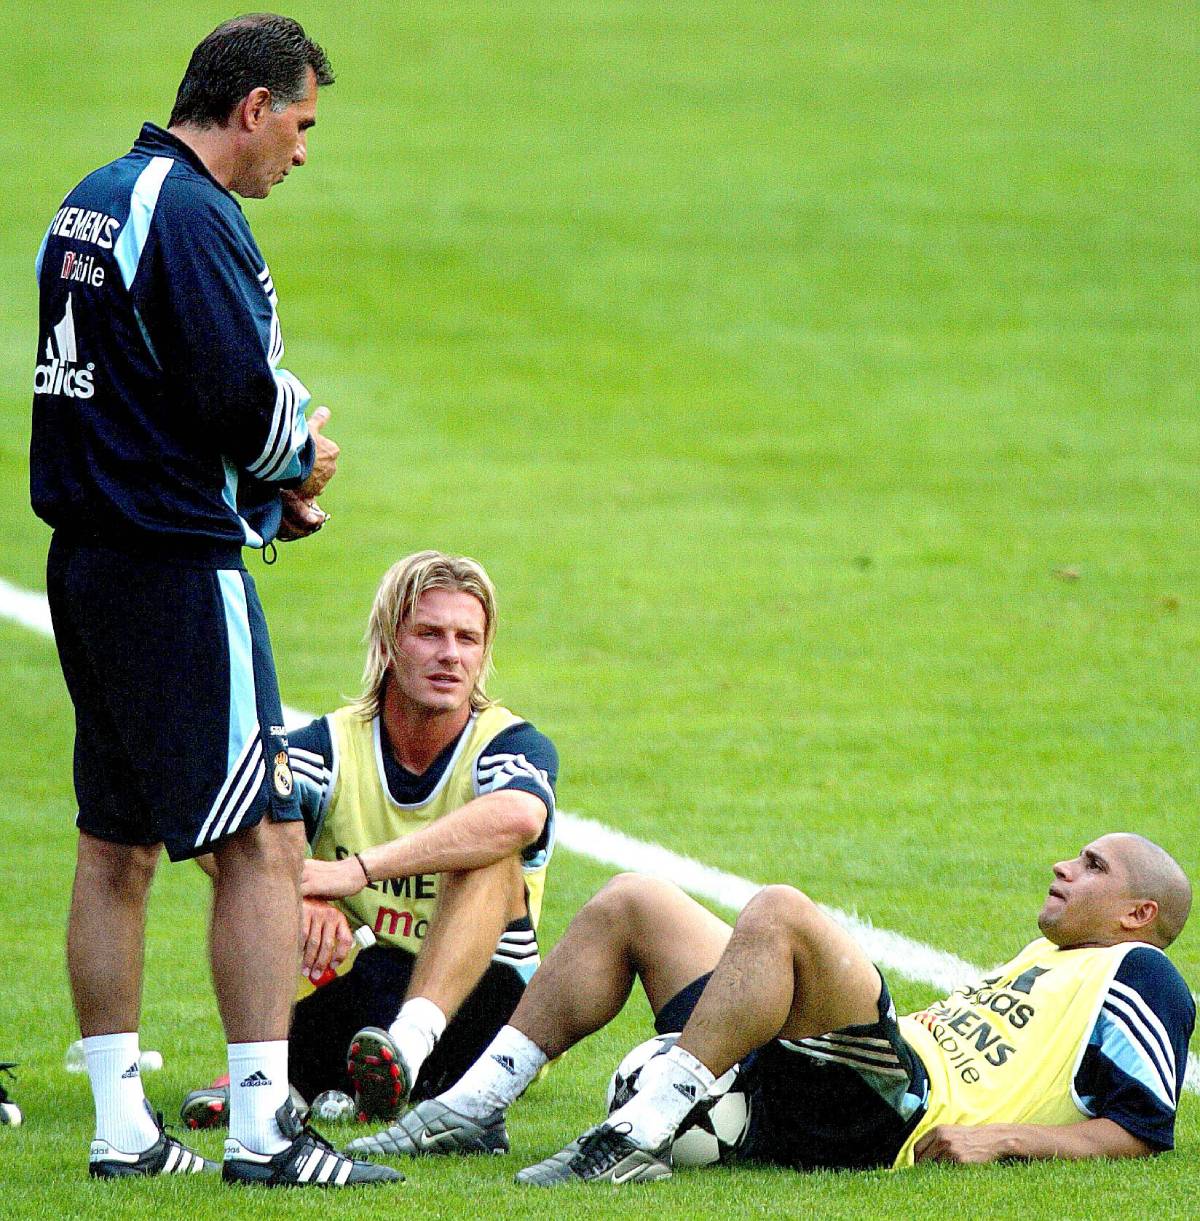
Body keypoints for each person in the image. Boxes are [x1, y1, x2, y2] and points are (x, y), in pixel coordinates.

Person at [31, 14, 397, 1188]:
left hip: (89, 560)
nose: (301, 149)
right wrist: (295, 464)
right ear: (249, 109)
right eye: (300, 123)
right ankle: (261, 1130)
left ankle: (120, 1129)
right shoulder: (193, 218)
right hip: (174, 570)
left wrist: (249, 479)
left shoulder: (94, 196)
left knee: (116, 845)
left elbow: (132, 389)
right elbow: (238, 398)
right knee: (264, 842)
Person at [347, 833, 1194, 1184]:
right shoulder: (1050, 956)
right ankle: (474, 1103)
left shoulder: (1144, 975)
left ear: (1138, 914)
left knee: (781, 910)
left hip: (891, 1108)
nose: (1063, 866)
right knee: (636, 898)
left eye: (1090, 866)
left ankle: (635, 1135)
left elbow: (1144, 1127)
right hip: (843, 1071)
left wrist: (1004, 1137)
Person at [184, 550, 558, 1132]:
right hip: (373, 986)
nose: (450, 655)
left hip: (488, 1006)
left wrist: (355, 871)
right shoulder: (332, 745)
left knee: (490, 857)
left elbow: (517, 819)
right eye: (429, 634)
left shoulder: (508, 743)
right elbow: (217, 828)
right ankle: (292, 1078)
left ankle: (362, 1063)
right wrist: (302, 895)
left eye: (468, 638)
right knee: (311, 915)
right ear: (388, 642)